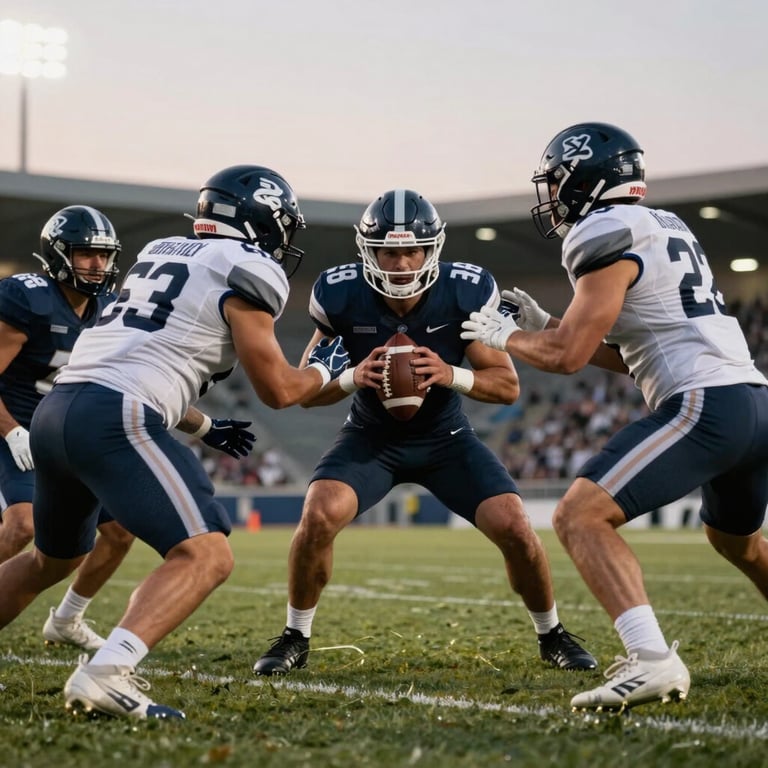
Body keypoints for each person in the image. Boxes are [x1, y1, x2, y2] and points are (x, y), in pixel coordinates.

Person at [0, 165, 350, 720]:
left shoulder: (162, 250)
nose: (285, 238)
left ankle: (96, 656)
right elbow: (281, 390)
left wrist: (205, 426)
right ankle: (106, 673)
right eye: (282, 224)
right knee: (205, 554)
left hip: (57, 409)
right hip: (114, 413)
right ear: (258, 219)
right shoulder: (251, 267)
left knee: (51, 557)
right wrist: (341, 374)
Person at [460, 121, 768, 711]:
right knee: (738, 542)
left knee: (579, 515)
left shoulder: (600, 229)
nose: (550, 196)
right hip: (751, 399)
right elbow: (630, 354)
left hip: (710, 404)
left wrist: (506, 338)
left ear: (582, 179)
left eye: (556, 183)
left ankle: (651, 659)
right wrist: (545, 323)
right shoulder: (661, 224)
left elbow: (569, 358)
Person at [252, 188, 597, 678]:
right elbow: (310, 391)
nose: (399, 262)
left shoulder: (465, 290)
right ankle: (295, 635)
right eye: (389, 251)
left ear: (432, 248)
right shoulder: (340, 294)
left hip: (446, 438)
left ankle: (552, 633)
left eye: (411, 249)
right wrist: (354, 376)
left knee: (516, 526)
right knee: (319, 515)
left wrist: (448, 373)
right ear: (368, 252)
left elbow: (506, 387)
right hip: (370, 438)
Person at [0, 206, 135, 651]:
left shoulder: (110, 309)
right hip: (13, 427)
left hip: (65, 434)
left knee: (119, 531)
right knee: (22, 525)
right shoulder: (27, 299)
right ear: (58, 255)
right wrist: (11, 430)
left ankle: (67, 619)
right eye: (86, 254)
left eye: (104, 255)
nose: (98, 265)